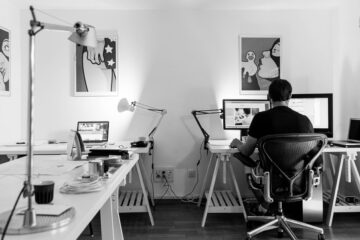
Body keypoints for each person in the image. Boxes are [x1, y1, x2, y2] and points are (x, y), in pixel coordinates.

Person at [230, 79, 313, 214]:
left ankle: (264, 206)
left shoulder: (261, 118)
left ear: (269, 97)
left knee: (248, 166)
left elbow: (246, 151)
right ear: (290, 96)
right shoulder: (304, 121)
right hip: (298, 179)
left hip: (271, 176)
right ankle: (266, 207)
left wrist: (237, 142)